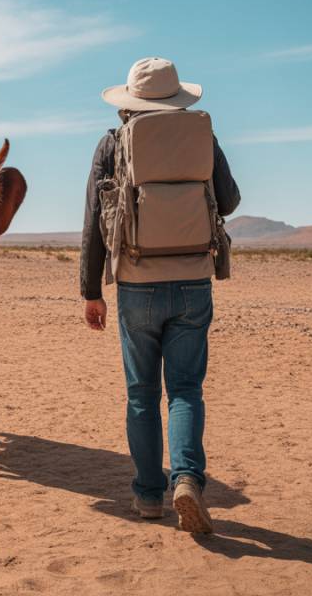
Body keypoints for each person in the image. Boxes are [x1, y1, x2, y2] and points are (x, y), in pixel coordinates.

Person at [80, 57, 240, 534]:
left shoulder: (113, 142)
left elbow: (94, 219)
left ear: (130, 99)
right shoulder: (203, 137)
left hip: (136, 283)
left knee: (142, 394)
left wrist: (91, 291)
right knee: (185, 389)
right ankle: (187, 479)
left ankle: (149, 495)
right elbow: (229, 200)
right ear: (177, 98)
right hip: (192, 280)